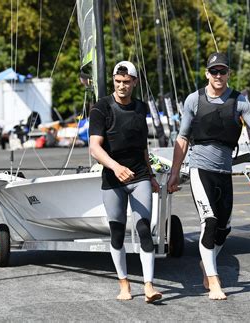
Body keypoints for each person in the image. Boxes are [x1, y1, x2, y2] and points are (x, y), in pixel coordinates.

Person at [167, 52, 250, 300]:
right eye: (214, 71)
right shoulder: (194, 100)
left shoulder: (239, 101)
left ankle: (205, 263)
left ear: (228, 73)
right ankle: (213, 280)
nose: (218, 76)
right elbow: (183, 138)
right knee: (209, 221)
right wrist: (175, 172)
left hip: (224, 171)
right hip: (200, 169)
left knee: (223, 229)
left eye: (222, 71)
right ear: (207, 73)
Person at [89, 61, 162, 303]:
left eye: (126, 82)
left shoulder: (141, 108)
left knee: (144, 230)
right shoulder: (101, 108)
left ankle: (149, 286)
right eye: (118, 82)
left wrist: (150, 175)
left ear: (134, 82)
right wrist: (116, 167)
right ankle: (124, 284)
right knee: (117, 234)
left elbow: (143, 146)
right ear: (113, 81)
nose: (122, 86)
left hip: (139, 175)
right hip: (113, 178)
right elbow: (94, 147)